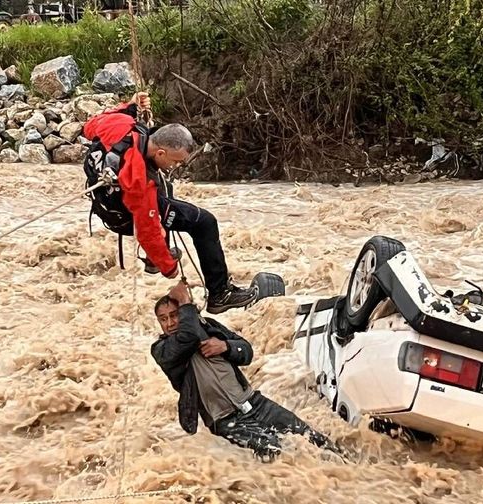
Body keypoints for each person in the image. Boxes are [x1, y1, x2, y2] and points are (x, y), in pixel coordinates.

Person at [83, 92, 256, 314]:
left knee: (167, 188)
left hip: (106, 202)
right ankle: (220, 294)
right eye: (176, 161)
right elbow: (147, 230)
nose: (177, 166)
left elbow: (89, 127)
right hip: (124, 216)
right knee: (204, 222)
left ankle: (156, 257)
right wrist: (168, 267)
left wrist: (130, 106)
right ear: (161, 152)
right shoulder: (139, 181)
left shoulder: (119, 123)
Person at [151, 281, 338, 460]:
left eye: (174, 315)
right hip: (225, 420)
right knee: (274, 451)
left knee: (311, 437)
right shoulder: (162, 350)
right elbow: (188, 337)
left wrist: (225, 346)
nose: (170, 323)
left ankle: (348, 465)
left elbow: (247, 351)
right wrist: (185, 302)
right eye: (163, 319)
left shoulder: (209, 326)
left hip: (255, 403)